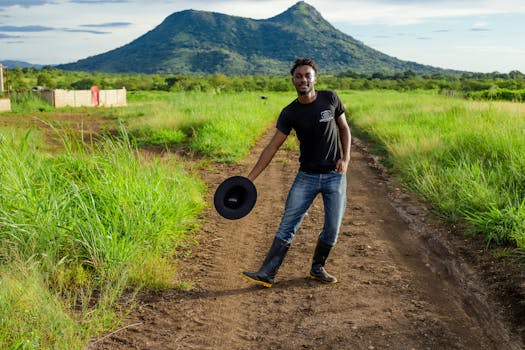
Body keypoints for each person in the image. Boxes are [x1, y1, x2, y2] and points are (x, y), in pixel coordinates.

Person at [242, 57, 351, 288]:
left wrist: (346, 158)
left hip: (334, 175)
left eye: (307, 75)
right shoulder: (289, 112)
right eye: (299, 76)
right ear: (293, 80)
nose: (303, 79)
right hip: (307, 177)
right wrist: (249, 179)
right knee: (288, 224)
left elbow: (344, 128)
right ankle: (267, 273)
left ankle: (317, 268)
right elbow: (272, 147)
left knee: (333, 227)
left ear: (315, 78)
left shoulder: (330, 98)